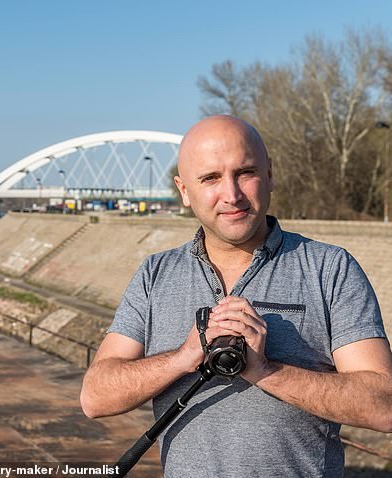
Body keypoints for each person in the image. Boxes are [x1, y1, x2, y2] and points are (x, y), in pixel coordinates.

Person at [79, 115, 392, 477]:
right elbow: (94, 397)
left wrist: (266, 371)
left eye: (245, 172)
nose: (232, 195)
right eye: (210, 178)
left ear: (270, 175)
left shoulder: (329, 268)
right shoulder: (155, 274)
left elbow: (384, 406)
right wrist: (185, 357)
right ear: (183, 191)